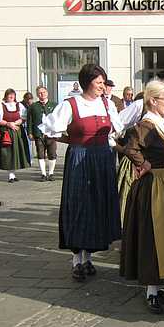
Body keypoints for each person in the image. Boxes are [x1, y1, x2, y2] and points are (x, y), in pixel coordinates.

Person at [40, 63, 122, 281]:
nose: (102, 87)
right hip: (80, 159)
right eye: (99, 83)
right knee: (79, 205)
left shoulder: (107, 104)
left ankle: (89, 257)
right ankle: (77, 259)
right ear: (87, 83)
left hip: (103, 159)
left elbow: (117, 130)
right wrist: (75, 142)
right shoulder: (71, 104)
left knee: (97, 205)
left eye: (103, 83)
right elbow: (51, 131)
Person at [120, 80, 164, 314]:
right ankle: (151, 291)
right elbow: (130, 147)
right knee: (155, 236)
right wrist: (144, 163)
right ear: (153, 101)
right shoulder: (147, 126)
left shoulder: (158, 124)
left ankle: (158, 285)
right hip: (155, 188)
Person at [0, 89, 31, 183]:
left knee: (16, 153)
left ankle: (13, 174)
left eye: (13, 95)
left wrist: (15, 123)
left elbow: (23, 117)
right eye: (9, 95)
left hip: (17, 132)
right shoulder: (1, 106)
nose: (11, 97)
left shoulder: (19, 105)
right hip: (6, 132)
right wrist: (8, 124)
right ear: (6, 96)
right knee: (8, 153)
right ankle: (10, 175)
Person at [27, 86, 58, 181]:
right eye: (40, 93)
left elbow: (58, 119)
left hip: (51, 134)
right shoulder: (33, 106)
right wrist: (30, 132)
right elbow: (29, 120)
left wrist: (58, 131)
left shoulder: (54, 105)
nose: (42, 94)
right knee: (40, 154)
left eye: (44, 92)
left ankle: (51, 173)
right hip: (38, 133)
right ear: (37, 95)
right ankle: (43, 174)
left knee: (52, 154)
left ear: (47, 93)